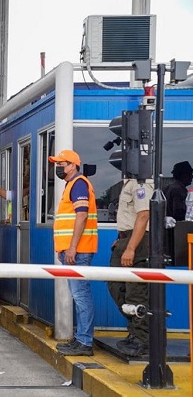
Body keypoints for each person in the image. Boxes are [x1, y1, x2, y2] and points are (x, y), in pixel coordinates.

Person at [48, 149, 98, 356]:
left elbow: (82, 216)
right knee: (79, 296)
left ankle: (85, 342)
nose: (58, 167)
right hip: (74, 251)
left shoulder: (78, 184)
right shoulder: (72, 185)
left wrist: (72, 247)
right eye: (57, 164)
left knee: (81, 295)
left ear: (73, 165)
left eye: (62, 164)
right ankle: (81, 339)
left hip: (77, 251)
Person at [107, 178, 153, 358]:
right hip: (126, 239)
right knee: (117, 287)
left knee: (135, 292)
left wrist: (131, 247)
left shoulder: (141, 182)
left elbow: (144, 215)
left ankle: (143, 340)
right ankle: (135, 331)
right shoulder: (129, 183)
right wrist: (122, 239)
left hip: (138, 243)